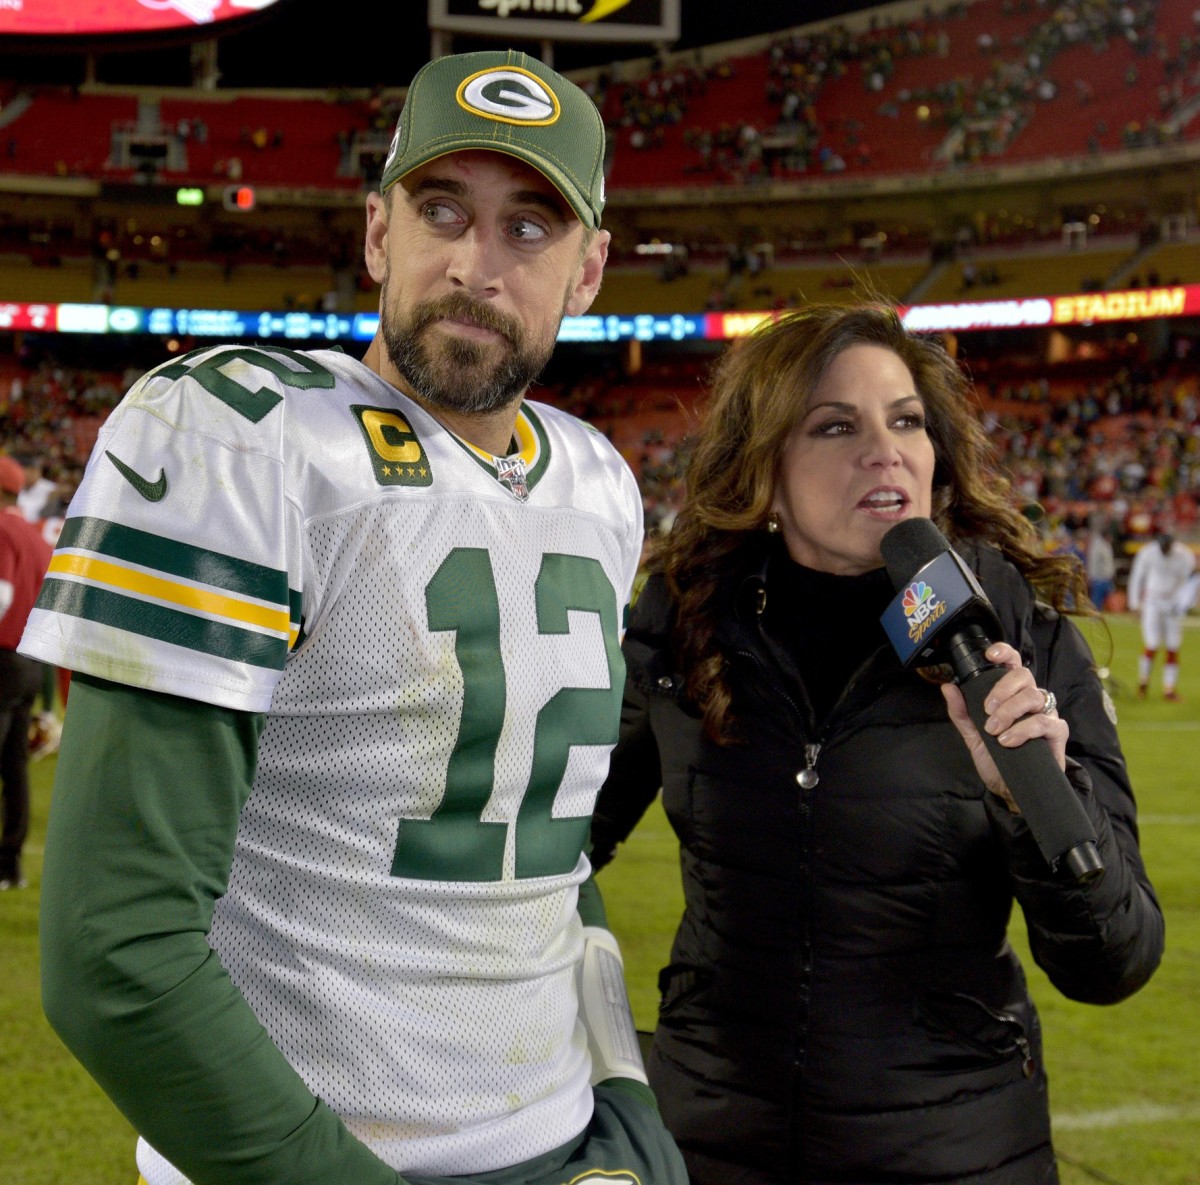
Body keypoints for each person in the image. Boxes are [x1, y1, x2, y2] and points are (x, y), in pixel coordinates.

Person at [19, 50, 686, 1185]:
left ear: (590, 272)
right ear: (380, 233)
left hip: (562, 1144)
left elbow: (552, 852)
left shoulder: (599, 482)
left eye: (529, 227)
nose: (479, 265)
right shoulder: (239, 435)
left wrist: (622, 1096)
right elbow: (114, 955)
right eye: (443, 211)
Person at [590, 304, 1164, 1185]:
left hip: (957, 1149)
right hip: (711, 1140)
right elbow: (559, 841)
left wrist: (1031, 798)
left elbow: (1113, 960)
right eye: (834, 426)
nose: (885, 449)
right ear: (766, 470)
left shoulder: (1015, 635)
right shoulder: (685, 619)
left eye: (905, 420)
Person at [0, 454, 52, 890]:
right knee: (13, 766)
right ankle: (10, 865)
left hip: (2, 657)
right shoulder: (34, 537)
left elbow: (1, 593)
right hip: (31, 661)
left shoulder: (2, 529)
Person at [1127, 523, 1196, 700]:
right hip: (1152, 601)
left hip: (1173, 603)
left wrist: (1185, 603)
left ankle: (1169, 689)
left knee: (1173, 645)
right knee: (1152, 643)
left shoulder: (1184, 555)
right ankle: (1143, 683)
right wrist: (1135, 604)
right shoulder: (1148, 553)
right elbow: (1137, 577)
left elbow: (1190, 581)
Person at [1085, 511, 1116, 611]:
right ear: (1106, 536)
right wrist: (1091, 576)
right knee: (1096, 600)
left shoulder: (1107, 546)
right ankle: (1093, 615)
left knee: (1110, 601)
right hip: (1099, 578)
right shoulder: (1097, 546)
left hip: (1107, 578)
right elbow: (1093, 561)